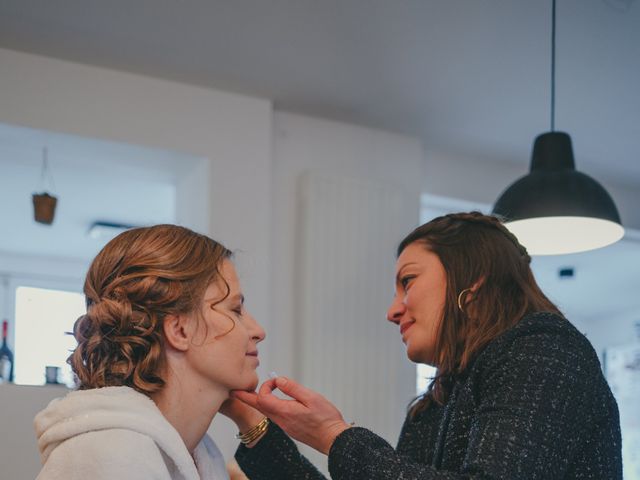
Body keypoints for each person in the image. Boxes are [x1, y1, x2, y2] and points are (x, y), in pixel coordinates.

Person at [222, 212, 622, 479]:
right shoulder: (437, 404)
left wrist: (332, 434)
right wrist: (249, 421)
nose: (393, 311)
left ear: (474, 278)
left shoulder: (545, 351)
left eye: (408, 282)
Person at [34, 224, 266, 480]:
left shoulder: (200, 455)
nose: (258, 331)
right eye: (235, 310)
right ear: (179, 330)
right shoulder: (111, 456)